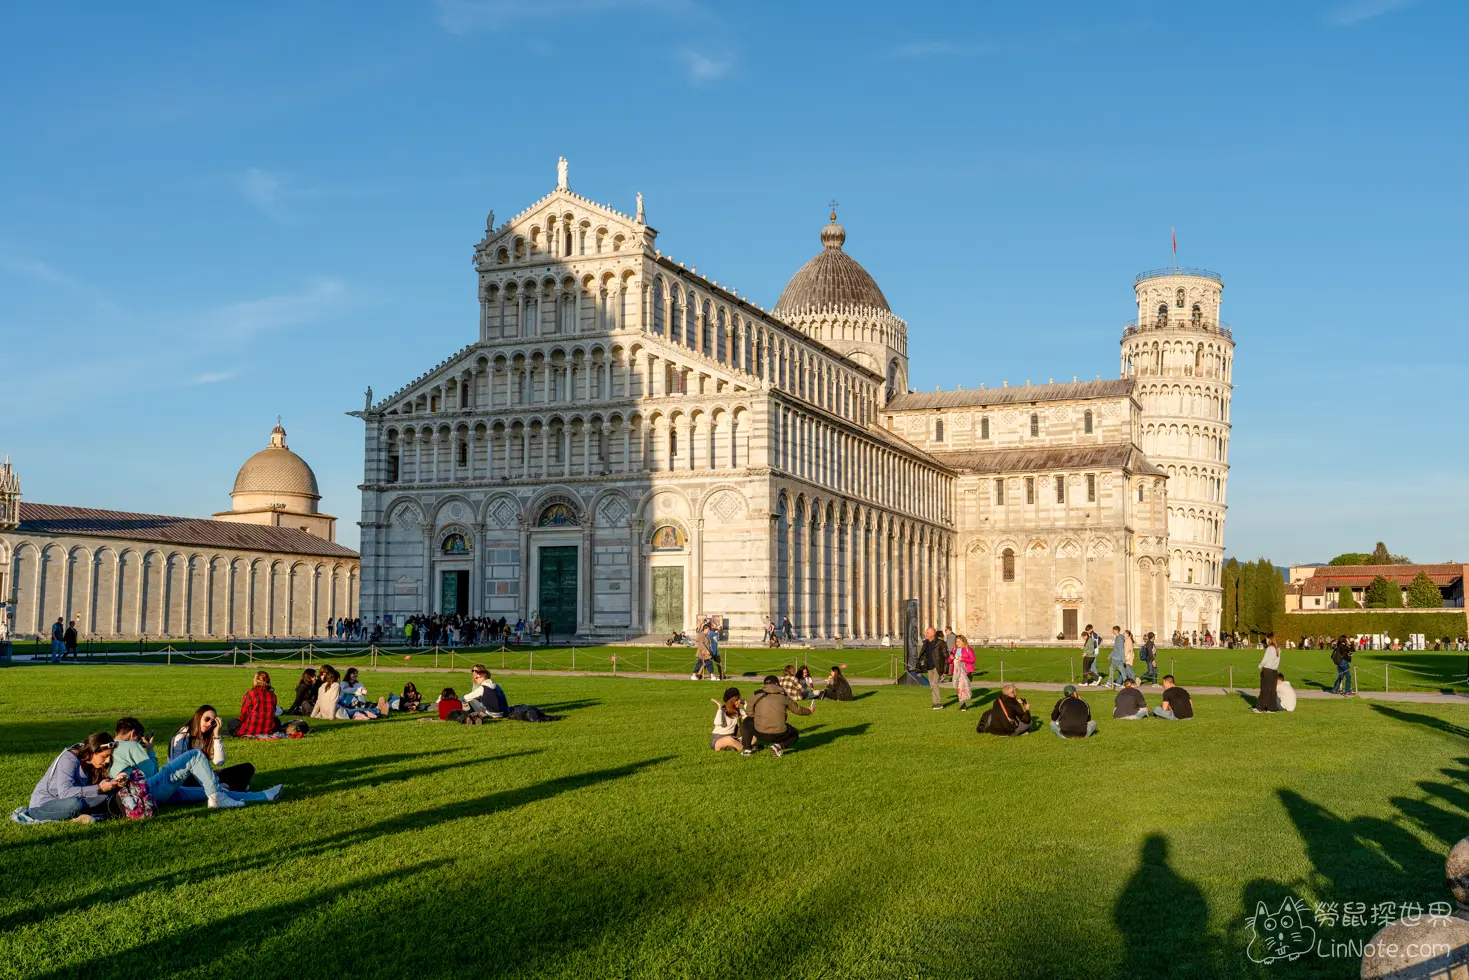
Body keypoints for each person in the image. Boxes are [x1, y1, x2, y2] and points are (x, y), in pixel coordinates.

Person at [118, 716, 279, 805]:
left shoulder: (112, 750)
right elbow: (151, 772)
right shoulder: (131, 746)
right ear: (133, 734)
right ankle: (220, 797)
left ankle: (263, 796)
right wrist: (150, 751)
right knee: (195, 755)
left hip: (146, 795)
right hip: (151, 789)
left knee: (212, 791)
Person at [10, 733, 119, 824]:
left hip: (75, 799)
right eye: (105, 756)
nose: (108, 760)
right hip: (44, 805)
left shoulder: (94, 764)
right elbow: (65, 793)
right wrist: (98, 788)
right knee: (75, 804)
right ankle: (86, 814)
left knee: (105, 797)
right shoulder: (68, 759)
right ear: (93, 751)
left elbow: (93, 788)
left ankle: (86, 814)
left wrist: (114, 783)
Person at [170, 705, 258, 792]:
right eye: (207, 719)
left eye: (213, 722)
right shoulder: (182, 737)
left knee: (247, 768)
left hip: (206, 775)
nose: (209, 724)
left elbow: (219, 761)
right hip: (184, 779)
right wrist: (210, 775)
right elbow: (179, 770)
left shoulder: (207, 735)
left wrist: (216, 735)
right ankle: (226, 787)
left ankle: (223, 787)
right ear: (198, 717)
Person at [741, 675, 814, 757]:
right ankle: (778, 746)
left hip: (759, 733)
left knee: (747, 721)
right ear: (777, 684)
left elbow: (749, 712)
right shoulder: (784, 696)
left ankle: (747, 749)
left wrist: (759, 717)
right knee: (794, 734)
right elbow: (797, 710)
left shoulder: (756, 694)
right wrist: (809, 711)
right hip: (779, 734)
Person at [230, 670, 281, 737]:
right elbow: (273, 712)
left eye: (254, 677)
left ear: (256, 681)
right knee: (277, 721)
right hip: (268, 729)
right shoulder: (273, 695)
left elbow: (244, 713)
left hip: (252, 728)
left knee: (232, 722)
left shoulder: (251, 693)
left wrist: (242, 722)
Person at [918, 627, 948, 709]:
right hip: (929, 667)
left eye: (927, 632)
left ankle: (939, 703)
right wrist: (918, 669)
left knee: (934, 683)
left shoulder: (940, 643)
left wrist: (945, 671)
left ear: (932, 634)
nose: (926, 634)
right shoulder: (926, 643)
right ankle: (935, 703)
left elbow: (946, 657)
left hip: (937, 666)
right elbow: (921, 656)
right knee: (931, 685)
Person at [710, 688, 745, 752]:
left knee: (753, 737)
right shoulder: (723, 711)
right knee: (729, 739)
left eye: (739, 699)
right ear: (730, 701)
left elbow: (749, 719)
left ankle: (731, 747)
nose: (739, 701)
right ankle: (745, 749)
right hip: (718, 739)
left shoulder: (738, 710)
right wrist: (719, 708)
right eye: (736, 700)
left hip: (733, 737)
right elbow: (717, 723)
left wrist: (745, 704)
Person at [1255, 633, 1281, 713]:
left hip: (1267, 671)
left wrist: (1260, 666)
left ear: (1269, 639)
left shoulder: (1270, 648)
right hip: (1274, 671)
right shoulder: (1278, 649)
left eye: (1266, 639)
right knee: (1272, 690)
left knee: (1264, 689)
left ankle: (1260, 707)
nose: (1266, 641)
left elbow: (1265, 659)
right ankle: (1271, 707)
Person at [950, 634, 976, 710]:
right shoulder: (954, 650)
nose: (957, 643)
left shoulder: (968, 649)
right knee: (959, 688)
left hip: (966, 671)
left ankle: (963, 704)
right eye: (956, 641)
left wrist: (962, 659)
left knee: (962, 687)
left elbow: (973, 660)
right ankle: (963, 703)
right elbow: (949, 661)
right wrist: (951, 658)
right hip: (956, 671)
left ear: (963, 641)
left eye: (959, 641)